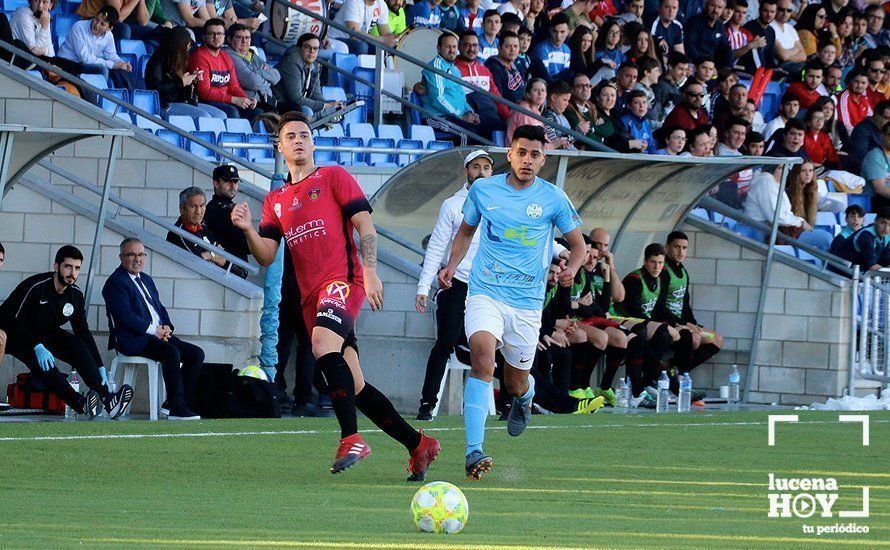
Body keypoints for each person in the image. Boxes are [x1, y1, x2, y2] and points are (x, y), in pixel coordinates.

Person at [231, 111, 441, 479]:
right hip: (312, 297)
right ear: (279, 147)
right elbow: (266, 254)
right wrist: (248, 229)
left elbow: (365, 225)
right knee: (354, 384)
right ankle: (419, 445)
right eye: (290, 136)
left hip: (342, 281)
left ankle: (351, 438)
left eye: (304, 135)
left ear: (313, 143)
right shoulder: (275, 199)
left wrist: (371, 272)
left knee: (322, 345)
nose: (298, 140)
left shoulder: (333, 177)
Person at [438, 124, 586, 480]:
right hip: (485, 293)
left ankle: (524, 396)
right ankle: (474, 450)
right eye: (521, 153)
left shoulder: (553, 198)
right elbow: (466, 230)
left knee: (516, 380)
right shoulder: (485, 190)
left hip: (526, 304)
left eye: (535, 155)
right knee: (483, 362)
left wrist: (573, 268)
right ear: (510, 153)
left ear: (543, 158)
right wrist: (452, 265)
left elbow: (579, 245)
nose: (527, 160)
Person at [0, 245, 134, 419]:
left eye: (77, 268)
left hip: (47, 333)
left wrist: (99, 364)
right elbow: (9, 318)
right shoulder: (36, 286)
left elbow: (83, 332)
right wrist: (36, 346)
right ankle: (81, 404)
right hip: (18, 334)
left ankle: (108, 399)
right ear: (56, 267)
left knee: (76, 345)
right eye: (68, 266)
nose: (72, 273)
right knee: (45, 365)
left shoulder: (76, 295)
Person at [415, 150, 494, 420]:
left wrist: (556, 250)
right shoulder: (452, 205)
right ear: (466, 171)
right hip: (457, 282)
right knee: (444, 343)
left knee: (501, 344)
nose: (481, 172)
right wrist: (423, 288)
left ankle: (507, 405)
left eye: (486, 167)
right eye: (476, 167)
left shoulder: (501, 203)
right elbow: (436, 248)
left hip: (490, 286)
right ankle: (427, 404)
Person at [102, 238, 203, 420]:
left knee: (196, 354)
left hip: (157, 335)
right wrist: (153, 330)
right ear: (121, 257)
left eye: (141, 254)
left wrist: (166, 327)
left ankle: (174, 402)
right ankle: (177, 409)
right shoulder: (115, 282)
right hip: (133, 340)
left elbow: (159, 308)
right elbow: (126, 317)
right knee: (171, 353)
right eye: (131, 254)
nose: (137, 259)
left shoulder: (146, 279)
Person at [656, 231, 722, 395]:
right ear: (667, 248)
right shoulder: (663, 271)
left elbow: (684, 303)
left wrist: (693, 323)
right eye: (677, 247)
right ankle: (680, 379)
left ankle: (676, 369)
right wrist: (681, 324)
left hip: (682, 322)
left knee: (716, 340)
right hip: (667, 321)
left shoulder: (683, 271)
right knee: (693, 337)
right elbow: (658, 306)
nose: (681, 252)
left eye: (684, 248)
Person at [145, 26, 228, 119]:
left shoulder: (184, 60)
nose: (188, 50)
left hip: (185, 102)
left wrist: (194, 79)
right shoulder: (157, 61)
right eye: (186, 47)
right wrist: (181, 82)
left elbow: (187, 91)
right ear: (177, 47)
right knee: (204, 117)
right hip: (165, 104)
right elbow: (156, 88)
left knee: (221, 115)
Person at [187, 18, 261, 119]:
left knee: (257, 112)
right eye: (211, 34)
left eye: (220, 34)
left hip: (225, 100)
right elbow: (204, 92)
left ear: (224, 36)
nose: (216, 37)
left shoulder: (225, 57)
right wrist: (234, 100)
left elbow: (233, 86)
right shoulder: (199, 57)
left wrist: (245, 99)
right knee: (233, 112)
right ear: (204, 37)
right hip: (206, 102)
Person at [57, 6, 144, 91]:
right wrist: (113, 65)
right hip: (68, 64)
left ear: (110, 28)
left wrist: (121, 63)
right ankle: (101, 100)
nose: (97, 25)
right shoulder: (79, 27)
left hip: (83, 65)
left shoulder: (109, 35)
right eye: (96, 19)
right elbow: (85, 58)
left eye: (102, 24)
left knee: (121, 71)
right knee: (102, 69)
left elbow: (111, 55)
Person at [744, 168, 833, 250]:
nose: (785, 172)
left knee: (826, 236)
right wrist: (801, 223)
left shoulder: (775, 183)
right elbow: (777, 216)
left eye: (810, 170)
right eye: (780, 168)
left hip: (785, 230)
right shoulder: (766, 182)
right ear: (772, 168)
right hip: (765, 231)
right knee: (824, 238)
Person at [166, 186, 237, 273]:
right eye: (193, 206)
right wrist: (213, 256)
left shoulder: (202, 226)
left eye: (202, 205)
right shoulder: (178, 233)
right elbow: (196, 263)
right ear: (182, 209)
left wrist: (210, 255)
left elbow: (223, 259)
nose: (199, 212)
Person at [273, 33, 341, 116]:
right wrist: (325, 106)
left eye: (315, 49)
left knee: (329, 113)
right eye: (308, 47)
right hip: (278, 104)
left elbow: (316, 95)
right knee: (307, 111)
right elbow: (296, 99)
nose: (312, 51)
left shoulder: (314, 65)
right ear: (299, 47)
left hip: (296, 105)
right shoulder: (291, 63)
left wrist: (331, 105)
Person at [203, 165, 250, 278]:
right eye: (228, 181)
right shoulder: (219, 210)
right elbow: (248, 246)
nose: (233, 186)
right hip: (226, 272)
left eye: (235, 182)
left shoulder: (218, 207)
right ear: (216, 183)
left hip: (231, 271)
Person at [454, 30, 510, 123]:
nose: (471, 49)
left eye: (475, 45)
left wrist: (508, 118)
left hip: (488, 116)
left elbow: (496, 97)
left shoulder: (485, 71)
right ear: (459, 46)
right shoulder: (451, 69)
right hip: (466, 118)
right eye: (467, 45)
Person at [224, 23, 279, 108]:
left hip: (267, 100)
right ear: (229, 39)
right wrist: (267, 81)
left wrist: (255, 71)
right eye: (239, 37)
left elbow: (276, 76)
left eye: (247, 38)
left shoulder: (250, 53)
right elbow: (252, 81)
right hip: (249, 102)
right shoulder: (229, 54)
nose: (244, 41)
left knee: (294, 108)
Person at [328, 0, 397, 55]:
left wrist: (394, 39)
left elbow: (386, 34)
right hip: (335, 39)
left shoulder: (381, 4)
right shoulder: (353, 1)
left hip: (359, 42)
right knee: (362, 47)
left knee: (389, 48)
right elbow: (354, 35)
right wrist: (381, 40)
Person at [684, 0, 731, 69]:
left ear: (723, 10)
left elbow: (726, 48)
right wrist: (705, 64)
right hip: (693, 64)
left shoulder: (719, 25)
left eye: (719, 7)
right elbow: (689, 46)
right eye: (712, 6)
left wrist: (729, 68)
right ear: (706, 6)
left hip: (710, 66)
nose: (715, 10)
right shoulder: (694, 21)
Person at [485, 30, 525, 105]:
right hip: (509, 109)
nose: (513, 49)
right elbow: (498, 98)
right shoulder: (493, 67)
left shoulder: (517, 63)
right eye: (508, 46)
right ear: (499, 48)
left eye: (515, 46)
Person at [530, 12, 572, 82]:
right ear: (550, 30)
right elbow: (545, 78)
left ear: (568, 32)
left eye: (562, 32)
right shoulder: (542, 49)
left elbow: (565, 75)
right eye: (555, 31)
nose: (558, 36)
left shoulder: (567, 50)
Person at [770, 0, 807, 73]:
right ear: (775, 9)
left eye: (789, 10)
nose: (785, 13)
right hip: (781, 69)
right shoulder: (770, 27)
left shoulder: (791, 28)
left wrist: (787, 56)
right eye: (781, 9)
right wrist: (796, 50)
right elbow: (783, 55)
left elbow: (803, 55)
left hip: (794, 66)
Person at [506, 78, 547, 144]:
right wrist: (553, 145)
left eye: (543, 90)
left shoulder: (537, 113)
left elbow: (544, 139)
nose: (540, 93)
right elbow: (529, 140)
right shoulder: (523, 111)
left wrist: (557, 143)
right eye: (536, 90)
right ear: (528, 94)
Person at [861, 122, 890, 212]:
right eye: (889, 135)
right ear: (882, 136)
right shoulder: (875, 155)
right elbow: (880, 189)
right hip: (877, 203)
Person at [542, 80, 576, 149]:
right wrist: (578, 131)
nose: (567, 103)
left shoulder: (560, 115)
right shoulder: (548, 117)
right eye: (564, 100)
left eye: (568, 100)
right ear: (553, 97)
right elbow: (554, 142)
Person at [650, 0, 685, 64]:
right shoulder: (653, 23)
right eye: (667, 7)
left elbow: (680, 54)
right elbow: (651, 51)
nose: (671, 11)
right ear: (659, 8)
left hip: (670, 63)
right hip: (655, 62)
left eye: (674, 8)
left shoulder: (678, 26)